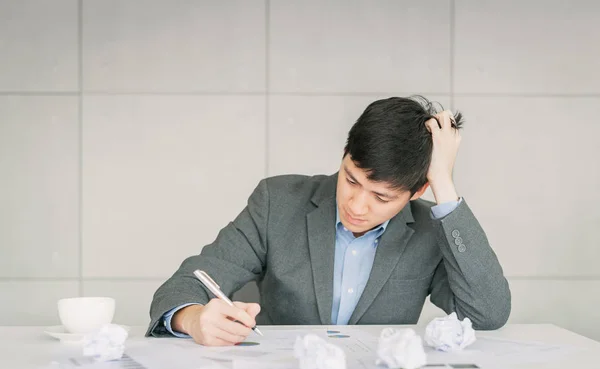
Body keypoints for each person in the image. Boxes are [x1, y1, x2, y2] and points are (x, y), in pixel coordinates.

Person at [146, 96, 511, 346]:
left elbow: (487, 313)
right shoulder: (278, 202)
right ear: (344, 156)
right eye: (351, 179)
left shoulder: (432, 229)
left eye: (381, 197)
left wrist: (444, 184)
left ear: (416, 192)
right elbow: (184, 284)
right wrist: (193, 319)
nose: (356, 204)